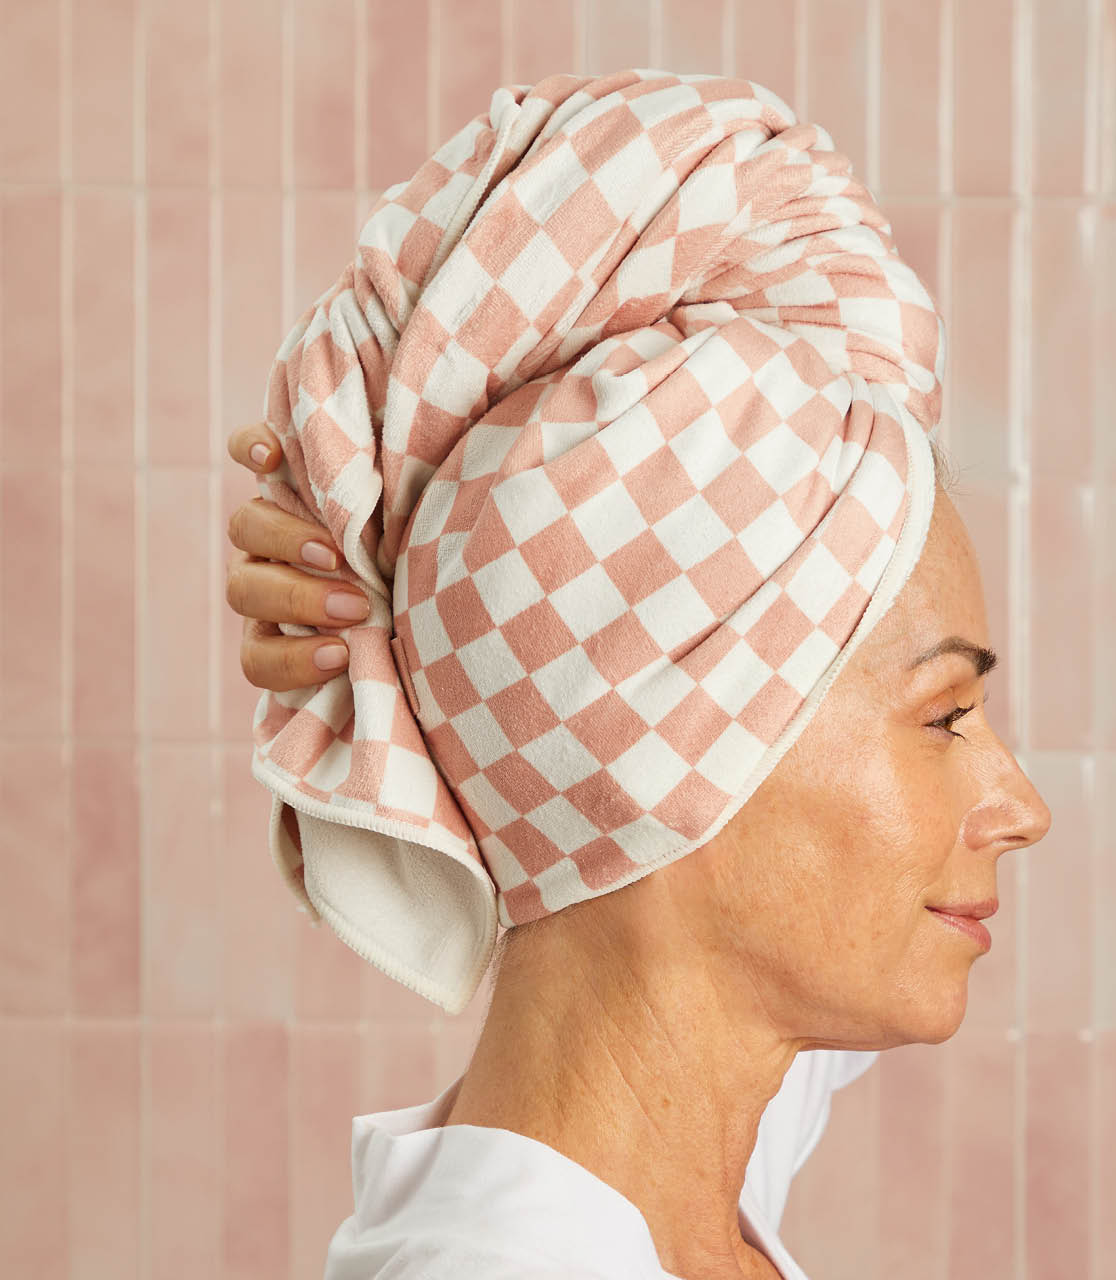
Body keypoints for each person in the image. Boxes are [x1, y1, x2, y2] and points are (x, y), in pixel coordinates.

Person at [223, 70, 1052, 1279]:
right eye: (945, 716)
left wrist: (401, 571)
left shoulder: (664, 1185)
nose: (1019, 806)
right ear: (679, 768)